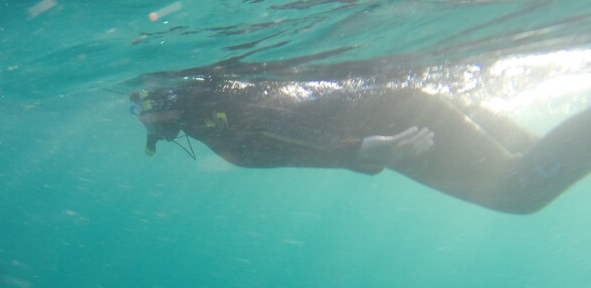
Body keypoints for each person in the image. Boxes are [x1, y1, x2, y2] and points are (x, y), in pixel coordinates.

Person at [130, 79, 591, 214]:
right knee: (534, 160)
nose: (141, 117)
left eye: (143, 105)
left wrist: (360, 147)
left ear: (167, 101)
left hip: (399, 126)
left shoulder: (218, 112)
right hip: (400, 117)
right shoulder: (211, 120)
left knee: (517, 191)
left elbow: (273, 121)